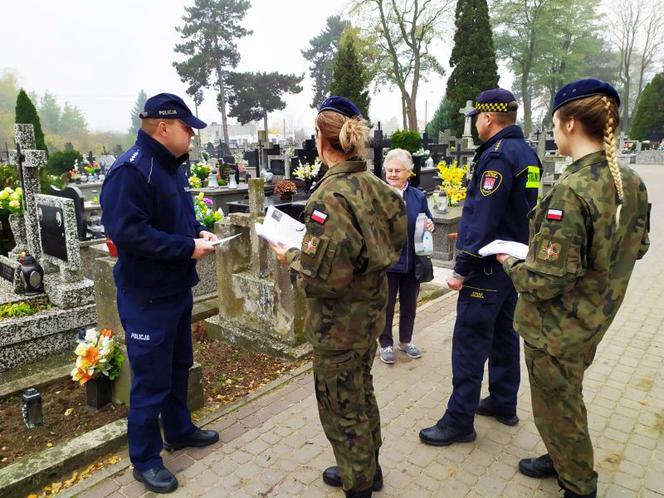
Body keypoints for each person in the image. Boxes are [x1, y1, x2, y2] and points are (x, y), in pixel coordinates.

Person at [496, 79, 650, 498]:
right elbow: (639, 245)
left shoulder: (574, 189)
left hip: (557, 328)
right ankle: (560, 457)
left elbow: (546, 280)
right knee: (565, 399)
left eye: (554, 121)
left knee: (556, 407)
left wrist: (511, 263)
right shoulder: (631, 181)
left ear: (569, 124)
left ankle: (579, 485)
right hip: (594, 317)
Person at [270, 96, 406, 498]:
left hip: (339, 324)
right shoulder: (378, 186)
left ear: (320, 138)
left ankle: (358, 482)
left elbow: (325, 279)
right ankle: (368, 467)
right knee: (361, 391)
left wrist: (290, 255)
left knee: (340, 404)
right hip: (370, 314)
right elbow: (391, 244)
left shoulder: (330, 197)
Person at [100, 93, 220, 494]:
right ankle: (146, 459)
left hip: (175, 290)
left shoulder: (170, 167)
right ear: (163, 127)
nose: (192, 136)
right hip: (147, 296)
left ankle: (180, 429)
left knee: (177, 366)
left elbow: (175, 218)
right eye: (188, 128)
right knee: (150, 381)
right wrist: (187, 248)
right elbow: (129, 233)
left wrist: (196, 231)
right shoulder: (130, 172)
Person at [419, 88, 541, 446]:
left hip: (487, 268)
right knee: (505, 334)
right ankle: (504, 401)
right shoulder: (526, 153)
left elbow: (483, 215)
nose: (474, 125)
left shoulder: (498, 156)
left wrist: (461, 268)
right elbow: (518, 210)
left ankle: (458, 421)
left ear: (487, 119)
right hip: (513, 264)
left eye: (476, 119)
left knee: (470, 341)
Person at [378, 148, 434, 364]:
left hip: (412, 261)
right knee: (387, 305)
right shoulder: (379, 195)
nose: (392, 174)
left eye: (397, 170)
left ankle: (405, 341)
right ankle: (385, 344)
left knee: (409, 305)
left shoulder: (418, 196)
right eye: (389, 170)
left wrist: (430, 225)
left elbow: (427, 220)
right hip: (388, 262)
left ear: (408, 172)